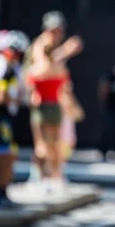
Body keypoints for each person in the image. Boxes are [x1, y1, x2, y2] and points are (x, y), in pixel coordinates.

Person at [22, 11, 83, 183]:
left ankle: (53, 175)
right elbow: (41, 70)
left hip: (53, 100)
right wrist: (66, 51)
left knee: (56, 143)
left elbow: (58, 74)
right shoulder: (41, 45)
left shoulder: (53, 46)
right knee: (42, 144)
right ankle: (39, 174)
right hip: (41, 100)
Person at [0, 30, 30, 207]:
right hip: (0, 117)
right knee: (6, 155)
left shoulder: (10, 66)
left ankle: (2, 191)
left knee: (9, 155)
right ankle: (0, 194)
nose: (19, 57)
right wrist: (16, 99)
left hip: (6, 116)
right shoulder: (3, 64)